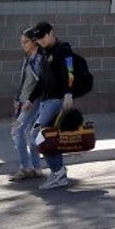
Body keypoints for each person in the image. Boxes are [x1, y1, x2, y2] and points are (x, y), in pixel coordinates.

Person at [29, 21, 77, 190]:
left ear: (51, 33)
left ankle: (58, 171)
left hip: (56, 100)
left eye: (42, 37)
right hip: (45, 101)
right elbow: (42, 80)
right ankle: (58, 172)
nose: (40, 41)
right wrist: (30, 99)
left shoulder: (63, 49)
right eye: (38, 38)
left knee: (37, 135)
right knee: (47, 137)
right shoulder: (44, 52)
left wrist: (69, 94)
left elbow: (71, 72)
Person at [8, 27, 44, 182]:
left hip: (33, 102)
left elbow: (41, 82)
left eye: (25, 41)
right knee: (30, 134)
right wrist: (18, 99)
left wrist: (29, 100)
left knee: (17, 131)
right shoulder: (27, 58)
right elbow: (23, 81)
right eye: (21, 42)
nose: (22, 44)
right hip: (24, 101)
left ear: (35, 41)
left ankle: (26, 168)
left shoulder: (40, 59)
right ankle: (36, 168)